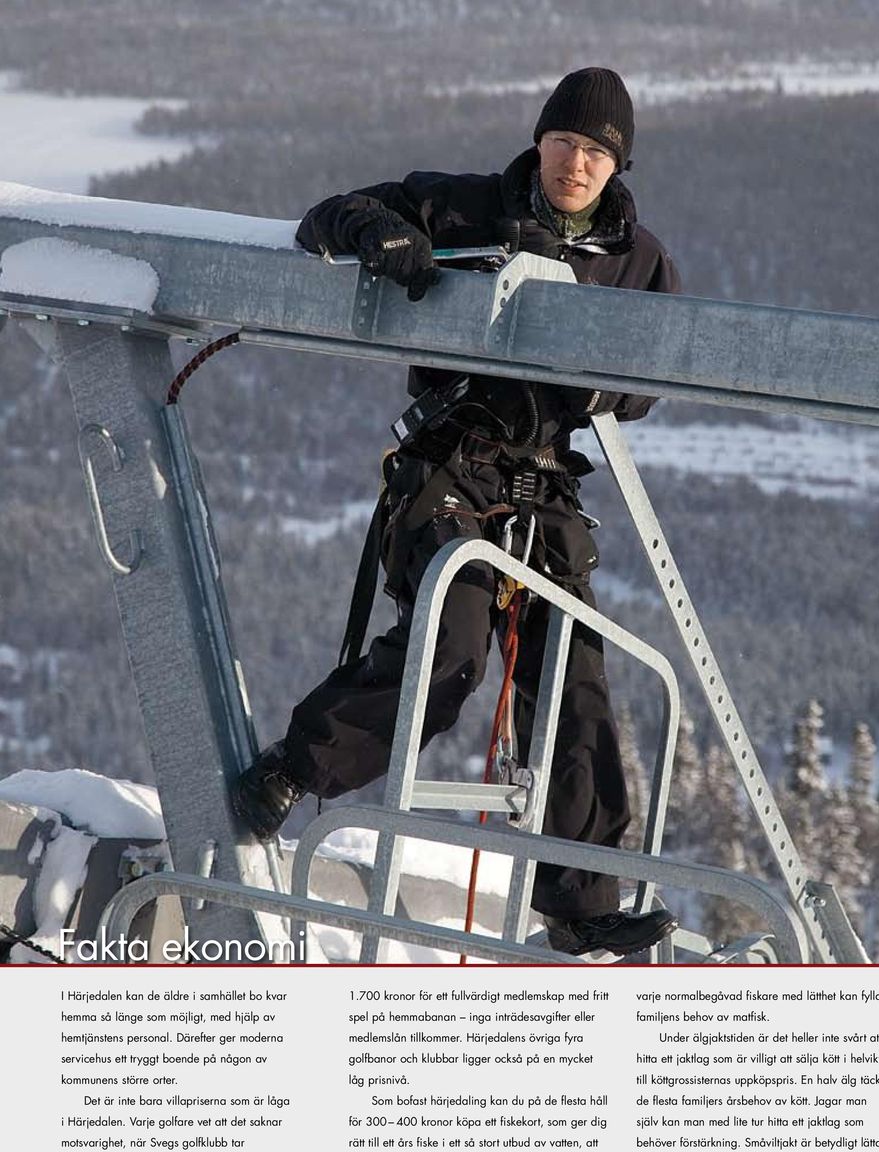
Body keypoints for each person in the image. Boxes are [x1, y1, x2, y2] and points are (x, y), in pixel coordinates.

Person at [232, 67, 680, 957]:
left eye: (597, 152)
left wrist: (602, 375)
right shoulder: (464, 207)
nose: (576, 164)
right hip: (450, 463)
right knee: (454, 643)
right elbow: (331, 215)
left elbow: (655, 376)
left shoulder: (640, 261)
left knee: (570, 679)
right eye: (565, 144)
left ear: (617, 165)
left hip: (545, 484)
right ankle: (296, 769)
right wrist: (385, 239)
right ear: (540, 142)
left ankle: (582, 899)